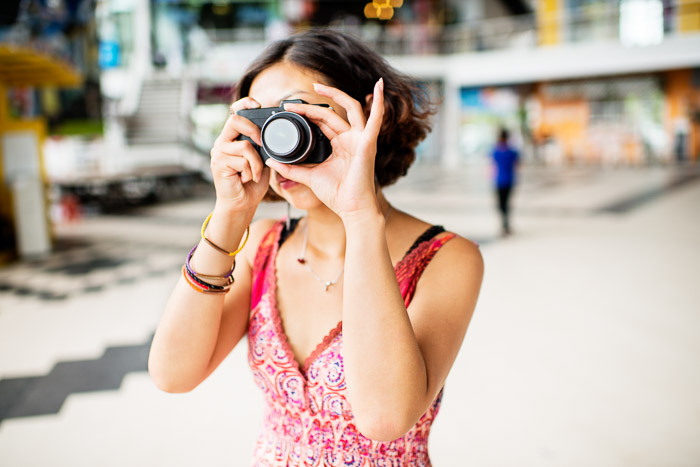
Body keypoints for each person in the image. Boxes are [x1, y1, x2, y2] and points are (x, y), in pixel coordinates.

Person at [148, 29, 483, 466]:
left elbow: (385, 416)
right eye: (263, 123)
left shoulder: (446, 258)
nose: (282, 143)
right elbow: (173, 375)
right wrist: (230, 216)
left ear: (367, 116)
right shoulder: (262, 247)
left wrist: (359, 215)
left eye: (300, 114)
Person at [492, 128, 519, 236]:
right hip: (510, 180)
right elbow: (517, 165)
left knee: (501, 204)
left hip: (499, 180)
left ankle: (504, 224)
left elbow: (492, 166)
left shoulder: (496, 151)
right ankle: (506, 224)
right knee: (507, 203)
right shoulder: (512, 151)